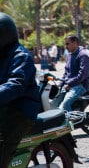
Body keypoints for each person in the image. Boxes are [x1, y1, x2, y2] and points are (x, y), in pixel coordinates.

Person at [0, 12, 41, 167]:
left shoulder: (20, 56)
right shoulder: (2, 54)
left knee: (2, 143)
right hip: (4, 106)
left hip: (20, 110)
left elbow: (15, 85)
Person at [52, 35, 89, 111]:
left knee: (65, 104)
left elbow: (83, 75)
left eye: (67, 44)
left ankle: (69, 122)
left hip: (80, 85)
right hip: (69, 84)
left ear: (75, 43)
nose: (65, 46)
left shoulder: (83, 55)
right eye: (65, 44)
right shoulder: (69, 55)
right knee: (53, 103)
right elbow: (66, 73)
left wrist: (70, 84)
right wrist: (60, 85)